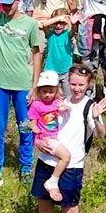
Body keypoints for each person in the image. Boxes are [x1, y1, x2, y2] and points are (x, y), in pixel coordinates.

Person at [33, 64, 94, 213]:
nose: (76, 88)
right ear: (67, 82)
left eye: (81, 85)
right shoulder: (56, 102)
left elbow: (101, 133)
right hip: (46, 160)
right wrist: (37, 141)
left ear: (89, 85)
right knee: (44, 206)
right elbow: (38, 125)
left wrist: (97, 117)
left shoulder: (89, 106)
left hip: (72, 165)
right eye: (73, 83)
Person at [0, 0, 44, 186]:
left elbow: (37, 53)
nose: (6, 7)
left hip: (22, 83)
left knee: (25, 126)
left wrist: (35, 84)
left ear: (18, 1)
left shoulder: (30, 24)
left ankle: (26, 168)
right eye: (3, 4)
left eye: (10, 4)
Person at [28, 70, 73, 204]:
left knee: (61, 157)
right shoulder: (36, 105)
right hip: (47, 138)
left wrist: (65, 108)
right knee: (66, 157)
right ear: (39, 91)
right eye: (44, 91)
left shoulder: (56, 102)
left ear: (56, 91)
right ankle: (53, 181)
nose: (48, 95)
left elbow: (67, 108)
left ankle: (53, 179)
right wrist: (34, 131)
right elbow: (32, 122)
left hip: (55, 136)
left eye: (51, 91)